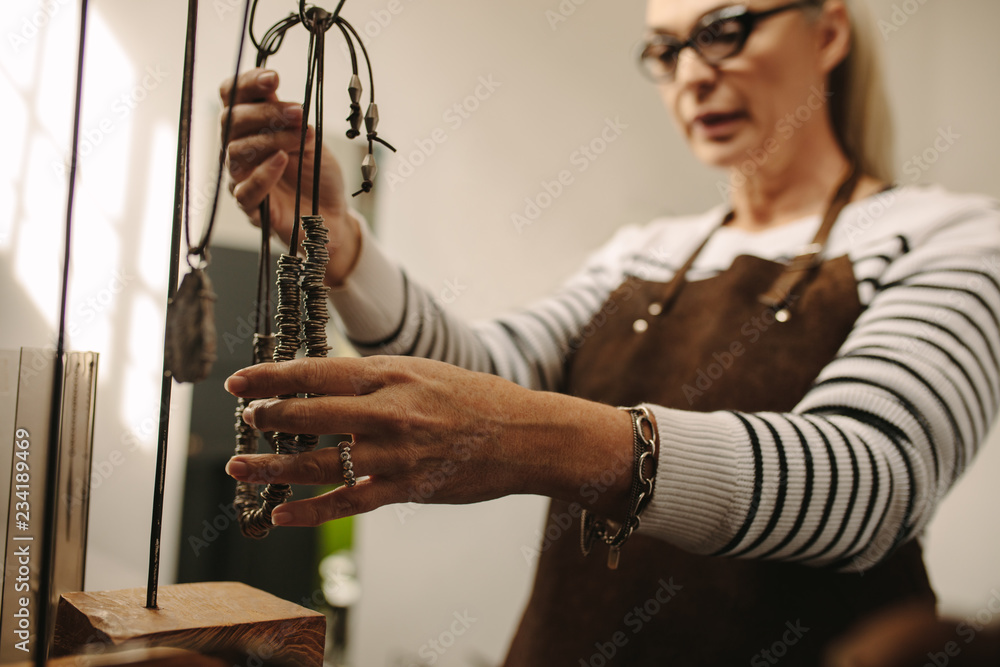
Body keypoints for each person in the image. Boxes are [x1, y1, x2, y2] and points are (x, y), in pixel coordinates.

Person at [220, 0, 1000, 664]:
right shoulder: (643, 251)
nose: (693, 74)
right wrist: (341, 242)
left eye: (724, 29)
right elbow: (489, 373)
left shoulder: (952, 235)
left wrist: (540, 439)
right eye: (665, 50)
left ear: (828, 33)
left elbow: (872, 476)